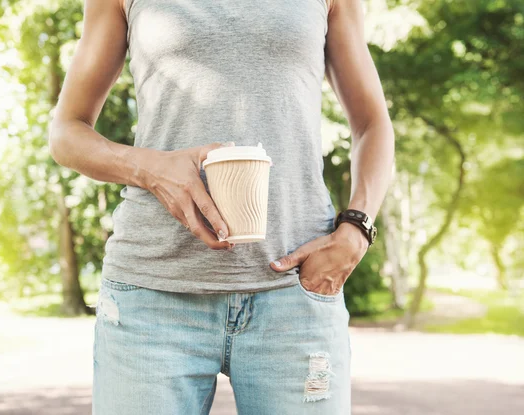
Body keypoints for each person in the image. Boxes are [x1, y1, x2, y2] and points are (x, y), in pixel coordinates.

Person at [49, 0, 394, 413]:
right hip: (153, 296)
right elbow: (66, 132)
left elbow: (373, 124)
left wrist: (356, 228)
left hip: (294, 294)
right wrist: (152, 168)